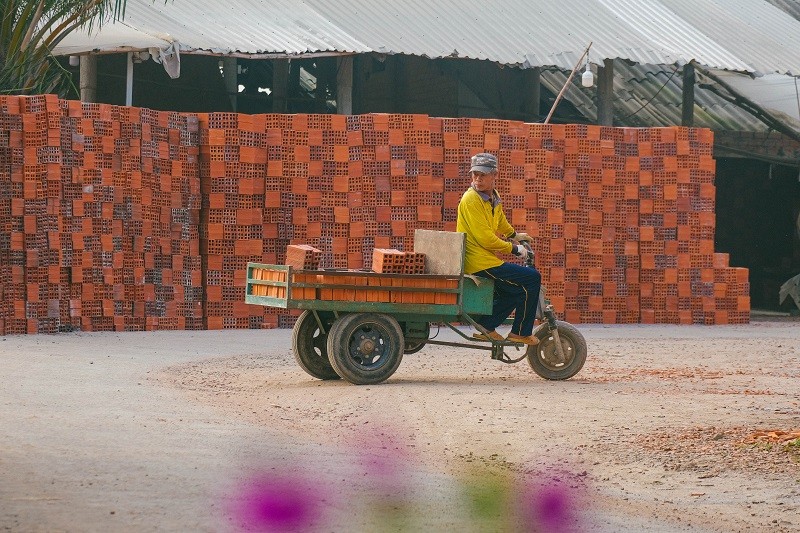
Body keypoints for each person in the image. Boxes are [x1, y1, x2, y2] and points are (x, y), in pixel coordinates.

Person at [456, 152, 541, 345]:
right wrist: (514, 249)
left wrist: (514, 235)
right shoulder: (471, 199)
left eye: (482, 174)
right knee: (532, 278)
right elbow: (485, 238)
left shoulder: (492, 196)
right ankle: (520, 332)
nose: (477, 178)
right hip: (477, 261)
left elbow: (499, 220)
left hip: (486, 259)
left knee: (516, 291)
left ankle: (486, 327)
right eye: (475, 174)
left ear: (495, 175)